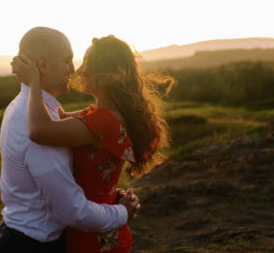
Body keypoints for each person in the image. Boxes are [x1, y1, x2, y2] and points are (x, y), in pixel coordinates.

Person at [12, 34, 172, 252]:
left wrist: (34, 83)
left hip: (94, 234)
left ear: (106, 76)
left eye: (86, 64)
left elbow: (40, 130)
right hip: (97, 222)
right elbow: (58, 116)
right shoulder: (101, 115)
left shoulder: (104, 121)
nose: (78, 71)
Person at [0, 27, 140, 253]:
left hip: (28, 238)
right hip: (33, 246)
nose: (74, 69)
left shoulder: (32, 109)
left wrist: (108, 196)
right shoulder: (33, 121)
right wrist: (122, 212)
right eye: (67, 60)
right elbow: (73, 211)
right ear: (42, 65)